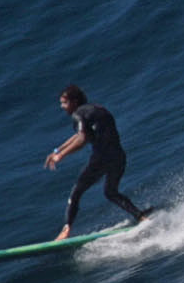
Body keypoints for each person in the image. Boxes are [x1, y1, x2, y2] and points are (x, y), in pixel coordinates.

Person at [45, 84, 149, 240]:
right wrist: (57, 150)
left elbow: (82, 138)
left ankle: (66, 230)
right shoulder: (95, 109)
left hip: (102, 159)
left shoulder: (78, 114)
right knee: (111, 192)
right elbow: (81, 135)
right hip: (118, 155)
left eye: (64, 103)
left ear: (74, 102)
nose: (62, 107)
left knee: (76, 192)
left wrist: (61, 156)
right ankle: (141, 217)